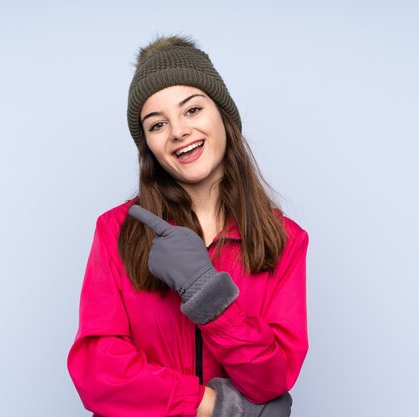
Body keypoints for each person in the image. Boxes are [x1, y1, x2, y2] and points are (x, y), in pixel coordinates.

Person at [67, 35, 309, 417]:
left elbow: (271, 378)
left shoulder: (286, 239)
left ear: (223, 116)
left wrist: (206, 292)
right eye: (157, 124)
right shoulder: (114, 230)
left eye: (192, 110)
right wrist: (209, 405)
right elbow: (96, 369)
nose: (178, 131)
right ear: (148, 144)